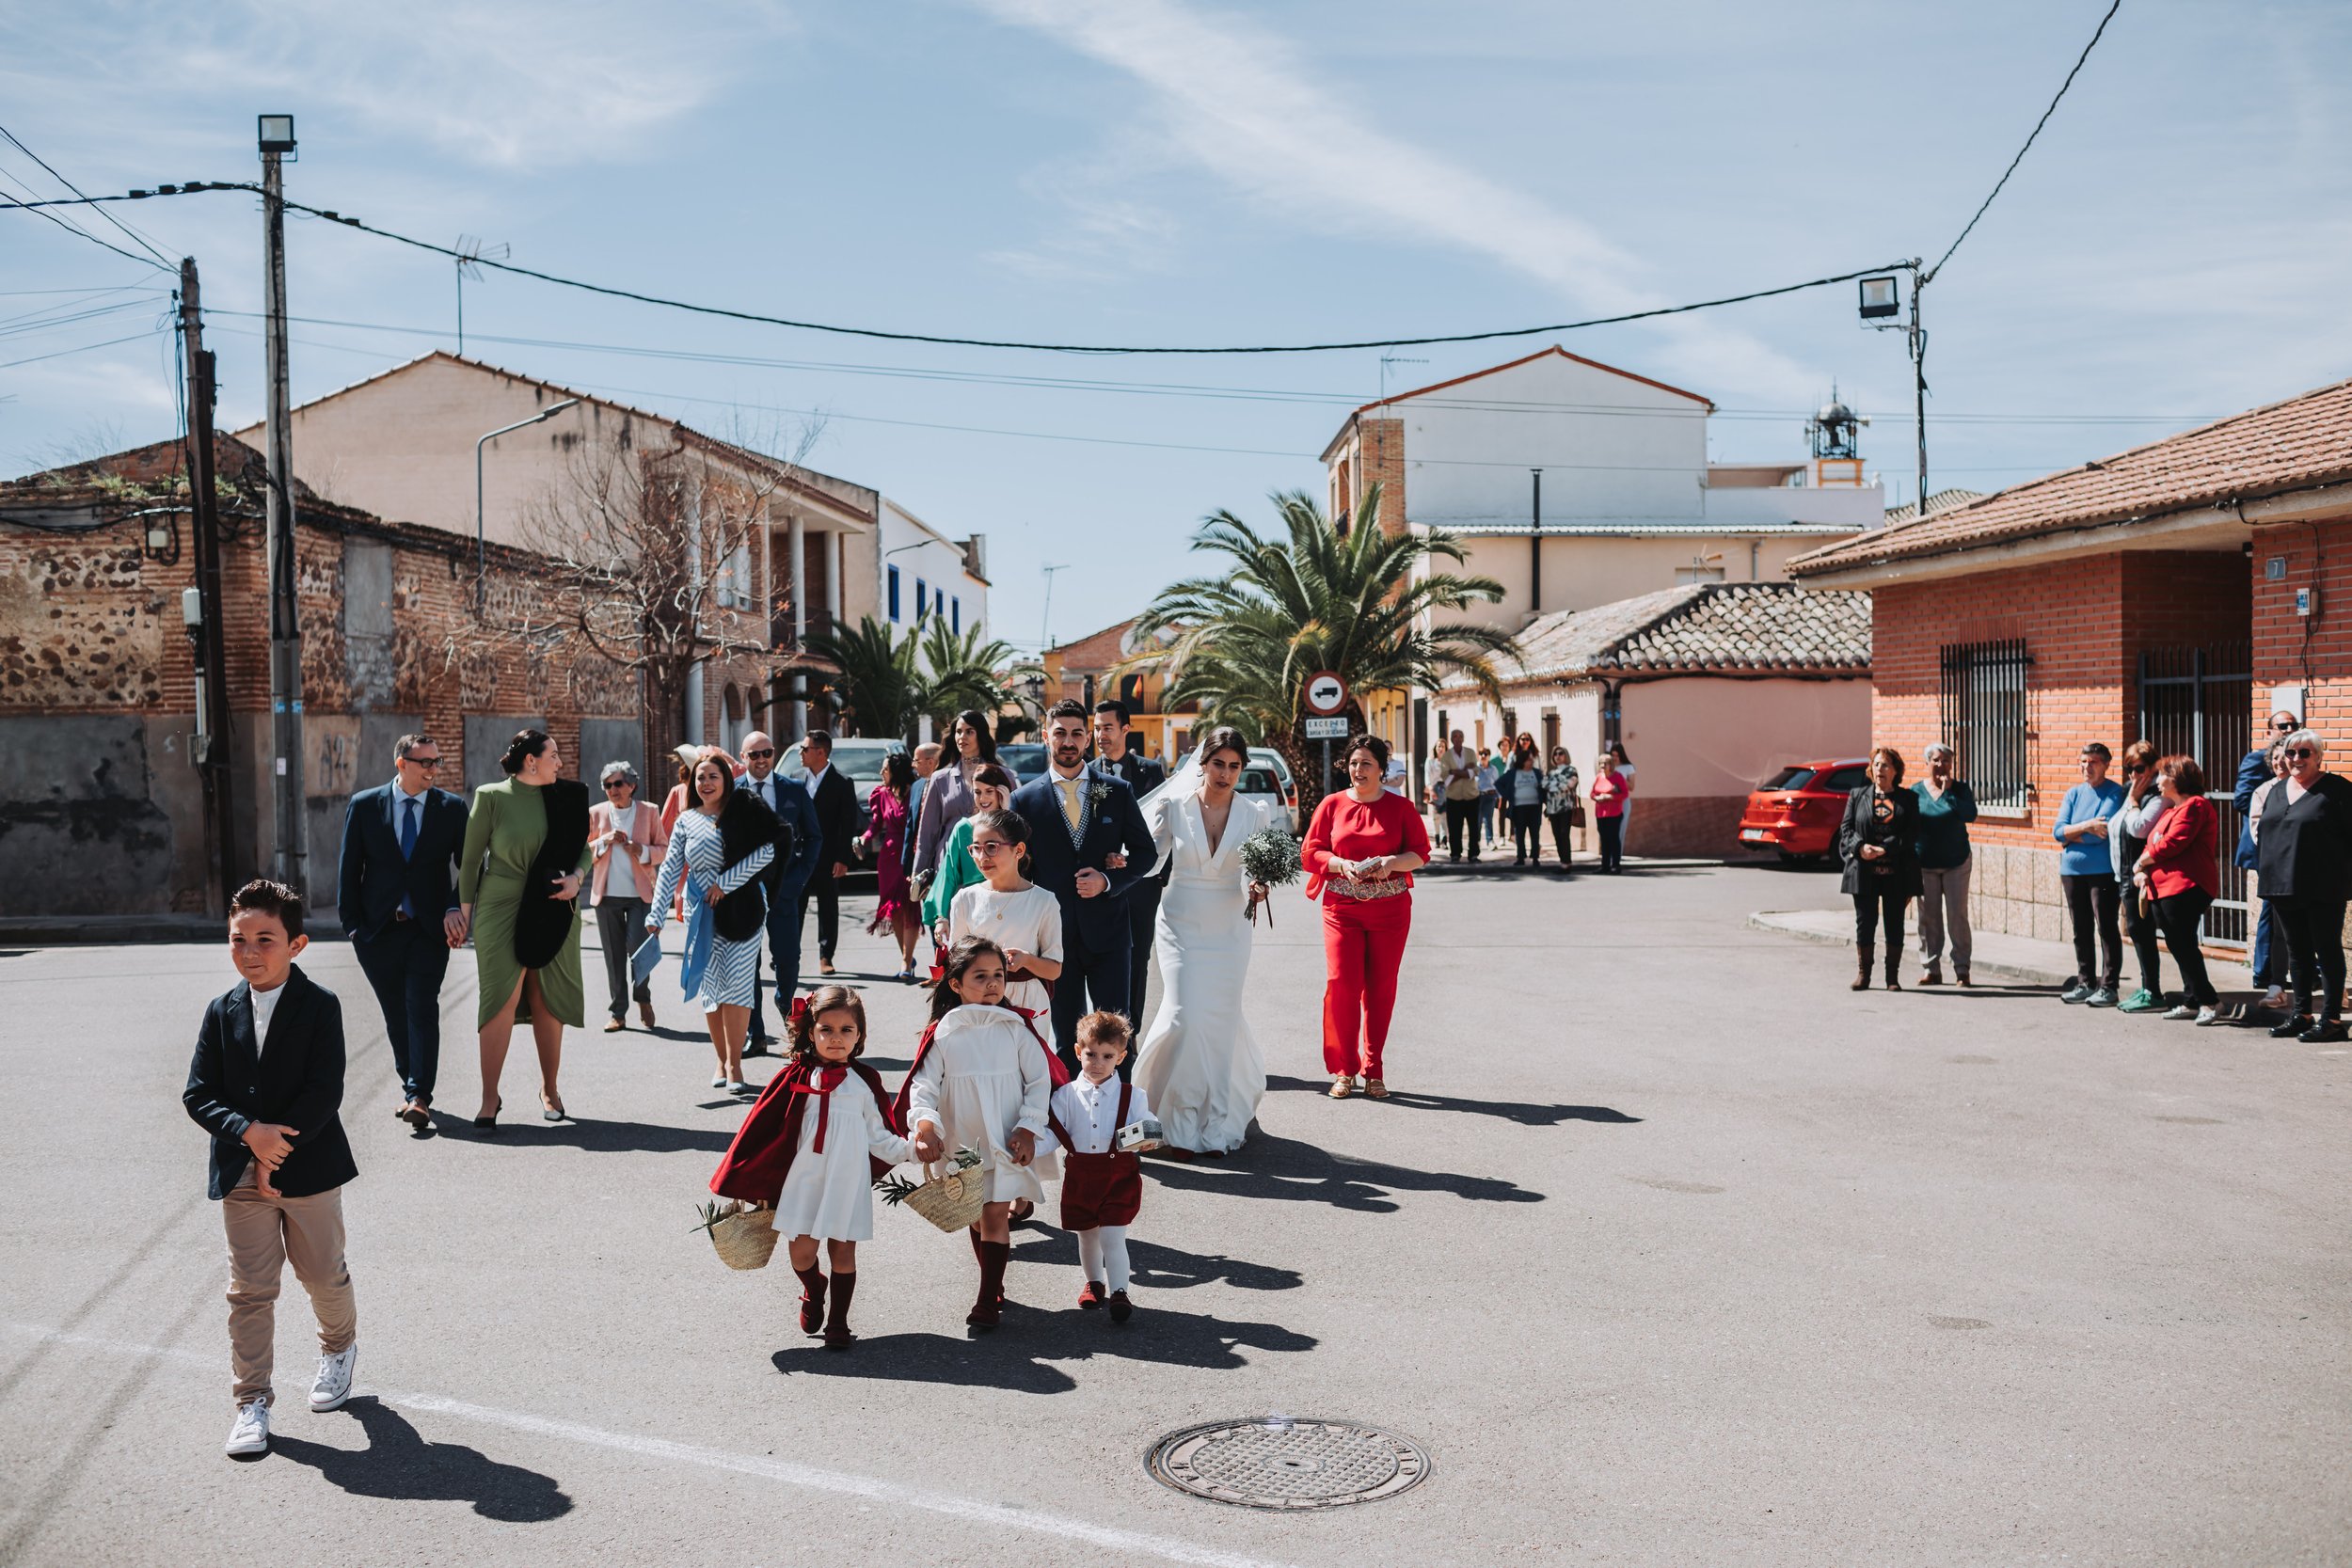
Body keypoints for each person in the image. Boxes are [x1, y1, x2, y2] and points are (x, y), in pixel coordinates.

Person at [183, 879, 359, 1458]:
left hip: (309, 1169)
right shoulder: (221, 1010)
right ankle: (251, 1401)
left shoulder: (320, 1006)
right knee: (250, 1292)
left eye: (265, 939)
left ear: (297, 944)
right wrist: (246, 1136)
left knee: (320, 1274)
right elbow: (199, 1094)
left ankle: (338, 1347)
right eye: (239, 940)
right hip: (240, 1173)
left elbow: (323, 1090)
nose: (250, 952)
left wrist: (274, 1150)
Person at [708, 985, 913, 1351]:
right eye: (827, 1030)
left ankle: (838, 1323)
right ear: (810, 1032)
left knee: (843, 1252)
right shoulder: (794, 1079)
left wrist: (914, 1150)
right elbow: (763, 1129)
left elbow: (880, 1137)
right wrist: (753, 1177)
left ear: (859, 1035)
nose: (836, 1039)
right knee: (801, 1252)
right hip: (803, 1182)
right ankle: (814, 1287)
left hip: (846, 1183)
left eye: (846, 1030)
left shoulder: (863, 1082)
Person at [901, 937, 1063, 1333]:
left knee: (994, 1214)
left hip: (1007, 1137)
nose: (993, 984)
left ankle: (986, 1299)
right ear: (955, 984)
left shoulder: (1016, 1028)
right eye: (981, 976)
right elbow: (924, 1086)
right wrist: (925, 1125)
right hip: (962, 1140)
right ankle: (995, 1284)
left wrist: (1028, 1127)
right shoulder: (943, 1033)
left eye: (999, 975)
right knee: (976, 1215)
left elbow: (1039, 1082)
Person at [1132, 725, 1272, 1155]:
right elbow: (1153, 861)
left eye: (1233, 766)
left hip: (1230, 926)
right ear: (1203, 763)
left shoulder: (1255, 813)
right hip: (1180, 922)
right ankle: (1176, 1118)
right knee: (1184, 1015)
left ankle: (1216, 1124)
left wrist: (1259, 885)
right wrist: (1121, 864)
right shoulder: (1174, 805)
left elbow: (1254, 867)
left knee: (1220, 1020)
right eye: (1218, 764)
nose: (1225, 773)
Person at [1009, 700, 1158, 1069]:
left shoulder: (1117, 790)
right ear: (1046, 737)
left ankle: (1119, 1117)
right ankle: (1069, 1119)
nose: (1068, 741)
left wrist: (1109, 879)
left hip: (1108, 932)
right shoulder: (1024, 799)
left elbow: (1146, 853)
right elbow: (1020, 869)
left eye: (1077, 733)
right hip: (1054, 939)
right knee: (1065, 1036)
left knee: (1114, 1033)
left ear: (1088, 738)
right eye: (1060, 733)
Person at [457, 729, 592, 1128]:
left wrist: (577, 879)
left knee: (545, 995)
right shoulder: (492, 796)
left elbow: (583, 846)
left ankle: (550, 1088)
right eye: (553, 755)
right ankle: (488, 1098)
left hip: (554, 903)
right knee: (499, 996)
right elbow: (469, 861)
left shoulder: (565, 796)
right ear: (531, 760)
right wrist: (464, 914)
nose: (560, 763)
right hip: (500, 906)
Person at [337, 732, 468, 1127]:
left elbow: (471, 864)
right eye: (424, 762)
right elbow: (349, 867)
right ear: (401, 764)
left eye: (436, 762)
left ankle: (418, 1094)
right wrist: (352, 927)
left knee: (422, 1007)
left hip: (429, 929)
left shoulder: (452, 808)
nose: (432, 770)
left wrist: (453, 907)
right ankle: (410, 1085)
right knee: (395, 1012)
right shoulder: (364, 805)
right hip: (376, 930)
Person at [1304, 736, 1432, 1099]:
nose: (1359, 771)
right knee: (1342, 983)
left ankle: (1373, 1069)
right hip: (1341, 909)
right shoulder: (1331, 805)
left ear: (1381, 769)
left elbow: (1420, 853)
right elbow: (1310, 853)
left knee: (1380, 989)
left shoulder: (1401, 808)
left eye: (1367, 764)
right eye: (1354, 763)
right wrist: (1341, 864)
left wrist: (1391, 863)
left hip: (1390, 911)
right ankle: (1345, 1069)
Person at [647, 748, 781, 1095]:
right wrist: (656, 913)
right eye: (700, 777)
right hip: (700, 914)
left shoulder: (745, 811)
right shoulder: (686, 820)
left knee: (737, 987)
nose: (706, 783)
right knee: (711, 989)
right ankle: (720, 1060)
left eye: (713, 776)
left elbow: (767, 851)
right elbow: (670, 869)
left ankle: (736, 1065)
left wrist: (727, 883)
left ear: (726, 780)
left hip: (744, 911)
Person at [1039, 1011, 1154, 1323]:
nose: (1098, 1062)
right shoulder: (1065, 1096)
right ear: (1078, 1051)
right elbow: (1052, 1135)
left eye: (1108, 1056)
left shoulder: (1132, 1095)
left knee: (1113, 1237)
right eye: (1091, 1054)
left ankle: (1119, 1291)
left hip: (1119, 1177)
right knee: (1087, 1236)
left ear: (1121, 1057)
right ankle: (1094, 1283)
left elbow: (1150, 1124)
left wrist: (1148, 1137)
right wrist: (1027, 1151)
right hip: (1080, 1177)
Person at [2257, 729, 2352, 1043]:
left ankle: (2332, 1020)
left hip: (2324, 885)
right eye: (2290, 753)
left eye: (2304, 753)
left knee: (2326, 950)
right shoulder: (2277, 790)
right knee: (2296, 952)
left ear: (2319, 756)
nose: (2296, 759)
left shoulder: (2337, 790)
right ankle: (2301, 1014)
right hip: (2283, 884)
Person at [736, 731, 822, 1056]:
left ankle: (786, 1005)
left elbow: (814, 837)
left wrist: (798, 878)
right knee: (747, 965)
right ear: (743, 757)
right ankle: (755, 1033)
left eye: (767, 753)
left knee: (788, 960)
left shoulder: (793, 790)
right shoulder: (733, 792)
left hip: (784, 893)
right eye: (754, 754)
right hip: (743, 896)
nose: (761, 760)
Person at [1092, 700, 1170, 1017]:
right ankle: (1100, 1031)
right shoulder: (1087, 773)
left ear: (1126, 729)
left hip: (1142, 884)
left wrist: (1160, 877)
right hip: (1101, 883)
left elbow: (1165, 823)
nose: (1101, 735)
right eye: (1097, 728)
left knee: (1138, 960)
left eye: (1107, 728)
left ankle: (1131, 1030)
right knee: (1100, 957)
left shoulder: (1150, 771)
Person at [947, 807, 1064, 1017]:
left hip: (1027, 1000)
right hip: (978, 999)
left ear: (1018, 850)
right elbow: (954, 961)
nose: (982, 857)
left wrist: (1027, 960)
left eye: (991, 847)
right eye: (976, 848)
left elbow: (1054, 969)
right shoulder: (965, 899)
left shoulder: (1043, 900)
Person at [2133, 754, 2221, 1025]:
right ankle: (2192, 999)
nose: (2158, 781)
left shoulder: (2196, 805)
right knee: (2179, 943)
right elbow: (2151, 844)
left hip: (2186, 885)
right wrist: (2142, 870)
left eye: (2162, 775)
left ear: (2177, 778)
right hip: (2163, 887)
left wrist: (2142, 861)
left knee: (2182, 944)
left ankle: (2209, 1000)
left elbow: (2173, 843)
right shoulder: (2171, 810)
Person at [589, 760, 666, 1033]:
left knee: (639, 948)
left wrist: (640, 850)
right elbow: (584, 852)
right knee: (614, 956)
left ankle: (643, 997)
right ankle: (618, 1013)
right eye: (607, 785)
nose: (612, 789)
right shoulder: (596, 813)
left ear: (632, 785)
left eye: (618, 784)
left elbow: (663, 848)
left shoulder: (649, 811)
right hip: (607, 895)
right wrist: (604, 841)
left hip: (640, 895)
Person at [1838, 746, 1921, 992]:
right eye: (1876, 764)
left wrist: (1887, 848)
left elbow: (1912, 832)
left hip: (1896, 872)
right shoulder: (1858, 795)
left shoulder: (1908, 799)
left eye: (1885, 765)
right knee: (1865, 923)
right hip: (1864, 872)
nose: (1879, 769)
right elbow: (1846, 830)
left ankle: (1892, 978)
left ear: (1896, 770)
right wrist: (1861, 847)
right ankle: (1864, 975)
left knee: (1894, 924)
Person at [2236, 710, 2301, 1009]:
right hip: (2266, 854)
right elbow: (2241, 801)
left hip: (2298, 860)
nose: (2288, 729)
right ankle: (2266, 974)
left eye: (2293, 725)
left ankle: (2300, 975)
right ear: (2269, 731)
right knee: (2269, 917)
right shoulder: (2255, 762)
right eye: (2282, 726)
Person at [2053, 742, 2126, 1006]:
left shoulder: (2115, 793)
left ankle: (2109, 986)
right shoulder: (2073, 794)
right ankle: (2085, 982)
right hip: (2071, 871)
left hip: (2103, 872)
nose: (2087, 767)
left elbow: (2102, 832)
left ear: (2106, 764)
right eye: (2084, 761)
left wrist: (2073, 835)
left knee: (2106, 927)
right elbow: (2058, 831)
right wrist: (2085, 827)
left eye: (2093, 762)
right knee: (2080, 929)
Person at [2112, 741, 2174, 1014]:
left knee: (2143, 933)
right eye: (2129, 769)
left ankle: (2153, 991)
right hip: (2123, 874)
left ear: (2152, 768)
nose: (2134, 775)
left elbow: (2138, 829)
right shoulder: (2130, 794)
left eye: (2139, 768)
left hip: (2142, 877)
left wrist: (2134, 802)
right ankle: (2147, 987)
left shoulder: (2157, 798)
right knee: (2137, 932)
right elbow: (2117, 827)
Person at [923, 764, 1018, 942]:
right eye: (977, 792)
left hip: (1012, 904)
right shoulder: (963, 828)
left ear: (1002, 791)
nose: (983, 798)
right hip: (974, 908)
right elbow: (948, 874)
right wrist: (942, 917)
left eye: (989, 791)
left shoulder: (1015, 826)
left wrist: (1006, 812)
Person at [1911, 741, 1979, 987]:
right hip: (1924, 863)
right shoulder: (1915, 792)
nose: (1941, 765)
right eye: (1936, 760)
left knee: (1957, 916)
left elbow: (1970, 815)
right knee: (1928, 918)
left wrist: (1948, 792)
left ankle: (1962, 969)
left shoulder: (1959, 789)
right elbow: (1908, 828)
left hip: (1956, 862)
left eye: (1946, 760)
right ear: (1927, 763)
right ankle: (1931, 969)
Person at [912, 710, 999, 884]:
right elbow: (927, 832)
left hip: (989, 859)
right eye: (959, 731)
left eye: (969, 731)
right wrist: (919, 874)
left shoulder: (1001, 775)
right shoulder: (940, 779)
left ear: (980, 735)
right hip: (948, 861)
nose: (962, 737)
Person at [800, 730, 858, 978]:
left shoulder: (842, 782)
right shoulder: (794, 779)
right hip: (799, 857)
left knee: (828, 907)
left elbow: (848, 824)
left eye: (805, 749)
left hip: (827, 858)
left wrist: (843, 859)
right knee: (793, 906)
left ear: (820, 752)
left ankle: (826, 956)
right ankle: (789, 953)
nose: (801, 753)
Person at [861, 752, 921, 980]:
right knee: (894, 909)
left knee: (910, 907)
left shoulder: (917, 791)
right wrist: (864, 838)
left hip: (911, 855)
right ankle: (906, 955)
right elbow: (876, 824)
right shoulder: (881, 794)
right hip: (888, 857)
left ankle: (906, 962)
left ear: (896, 771)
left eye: (885, 769)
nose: (881, 774)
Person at [2245, 738, 2294, 1012]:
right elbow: (2257, 831)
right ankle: (2277, 986)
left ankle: (2326, 986)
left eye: (2282, 757)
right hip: (2276, 868)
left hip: (2307, 870)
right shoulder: (2264, 791)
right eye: (2274, 759)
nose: (2279, 763)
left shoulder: (2306, 789)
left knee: (2317, 930)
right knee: (2278, 930)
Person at [1499, 736, 1545, 864]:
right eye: (1529, 760)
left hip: (1535, 806)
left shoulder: (1536, 773)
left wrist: (1544, 800)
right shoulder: (1514, 773)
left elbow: (1543, 786)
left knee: (1535, 833)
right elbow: (1499, 783)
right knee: (1520, 833)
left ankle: (1535, 858)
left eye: (1531, 759)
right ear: (1523, 761)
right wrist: (1508, 795)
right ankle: (1521, 857)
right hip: (1519, 807)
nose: (1531, 762)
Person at [1436, 729, 1480, 863]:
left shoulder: (1470, 752)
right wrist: (1465, 770)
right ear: (1451, 739)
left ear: (1463, 738)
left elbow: (1475, 771)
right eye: (1455, 736)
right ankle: (1455, 853)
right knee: (1455, 827)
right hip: (1454, 797)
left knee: (1473, 827)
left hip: (1472, 796)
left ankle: (1473, 854)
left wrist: (1455, 772)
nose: (1458, 738)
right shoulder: (1446, 756)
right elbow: (1447, 779)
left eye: (1460, 736)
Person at [1589, 747, 1632, 874]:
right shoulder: (1599, 777)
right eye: (1600, 763)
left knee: (1614, 838)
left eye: (1605, 763)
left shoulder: (1618, 777)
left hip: (1614, 813)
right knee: (1604, 839)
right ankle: (1605, 865)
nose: (1602, 766)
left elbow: (1625, 794)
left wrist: (1611, 797)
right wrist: (1597, 797)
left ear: (1611, 765)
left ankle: (1615, 865)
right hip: (1601, 813)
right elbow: (1592, 793)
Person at [1541, 746, 1581, 872]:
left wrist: (1554, 785)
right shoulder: (1551, 772)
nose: (1558, 756)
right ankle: (1562, 860)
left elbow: (1570, 784)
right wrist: (1559, 785)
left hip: (1566, 807)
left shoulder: (1571, 770)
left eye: (1560, 753)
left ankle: (1567, 862)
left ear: (1565, 755)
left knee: (1564, 834)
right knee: (1557, 835)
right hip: (1552, 808)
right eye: (1555, 754)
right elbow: (1544, 784)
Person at [1474, 745, 1501, 850]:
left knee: (1488, 820)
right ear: (1478, 756)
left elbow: (1497, 783)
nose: (1483, 756)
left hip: (1490, 796)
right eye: (1481, 754)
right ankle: (1476, 841)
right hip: (1478, 796)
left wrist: (1499, 797)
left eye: (1486, 754)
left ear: (1489, 756)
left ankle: (1490, 841)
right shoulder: (1475, 769)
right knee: (1478, 820)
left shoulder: (1493, 769)